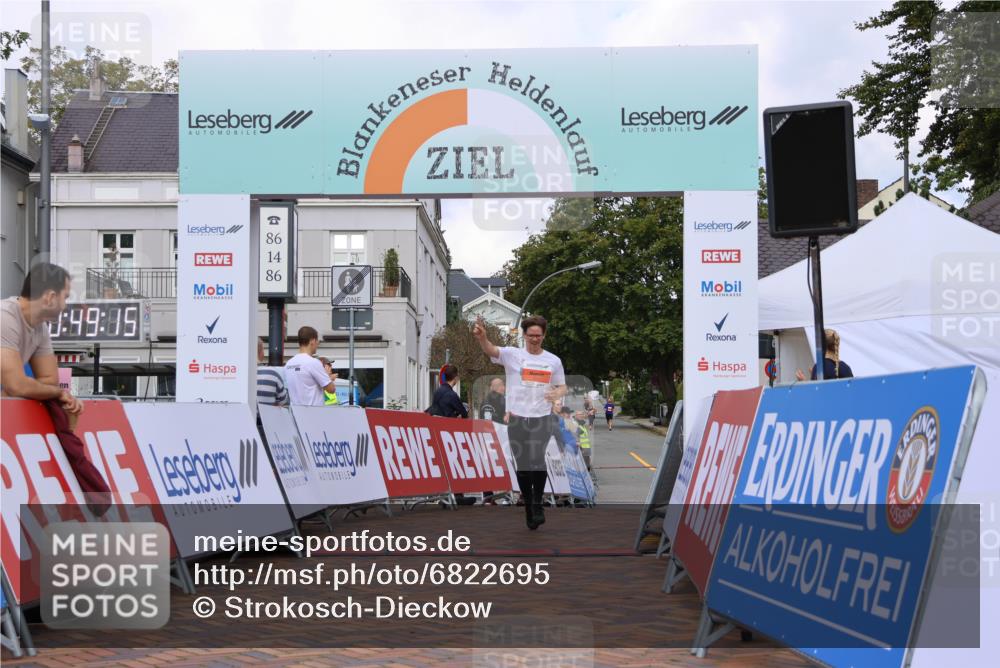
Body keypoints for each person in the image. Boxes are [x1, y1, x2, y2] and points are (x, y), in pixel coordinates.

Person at [473, 314, 566, 530]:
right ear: (524, 335)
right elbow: (491, 350)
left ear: (544, 336)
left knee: (537, 460)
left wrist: (556, 394)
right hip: (517, 417)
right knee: (523, 465)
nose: (535, 339)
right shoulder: (512, 354)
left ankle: (537, 502)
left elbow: (562, 386)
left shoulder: (553, 361)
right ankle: (527, 505)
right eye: (531, 335)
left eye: (539, 336)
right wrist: (482, 338)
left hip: (542, 418)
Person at [1, 263, 83, 417]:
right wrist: (58, 393)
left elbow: (50, 381)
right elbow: (17, 386)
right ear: (50, 297)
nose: (65, 306)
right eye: (65, 297)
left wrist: (24, 387)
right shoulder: (4, 317)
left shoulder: (39, 326)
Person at [284, 326, 336, 406]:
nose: (318, 343)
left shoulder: (289, 364)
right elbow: (331, 389)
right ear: (312, 341)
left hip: (295, 414)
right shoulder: (313, 363)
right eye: (317, 340)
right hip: (313, 414)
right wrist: (327, 376)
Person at [256, 338, 288, 406]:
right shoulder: (272, 373)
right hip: (267, 416)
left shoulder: (238, 373)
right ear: (261, 352)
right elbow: (283, 400)